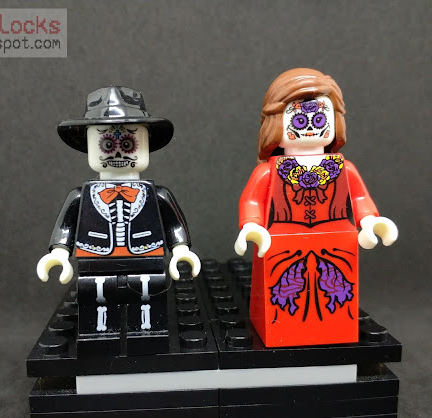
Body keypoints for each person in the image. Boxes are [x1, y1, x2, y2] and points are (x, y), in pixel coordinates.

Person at [234, 68, 397, 347]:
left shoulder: (344, 168)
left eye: (319, 119)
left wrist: (371, 221)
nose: (309, 127)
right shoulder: (269, 172)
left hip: (337, 244)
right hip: (281, 243)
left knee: (334, 297)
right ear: (276, 123)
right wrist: (251, 226)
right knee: (285, 299)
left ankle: (331, 332)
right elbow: (251, 200)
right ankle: (286, 334)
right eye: (299, 120)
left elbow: (359, 199)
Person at [37, 86, 200, 357]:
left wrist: (181, 251)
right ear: (89, 145)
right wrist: (59, 253)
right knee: (96, 296)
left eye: (128, 143)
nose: (118, 153)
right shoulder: (81, 196)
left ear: (145, 142)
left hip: (146, 258)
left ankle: (148, 337)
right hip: (96, 260)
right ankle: (99, 339)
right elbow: (66, 226)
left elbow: (174, 225)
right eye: (107, 144)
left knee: (148, 295)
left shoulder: (156, 194)